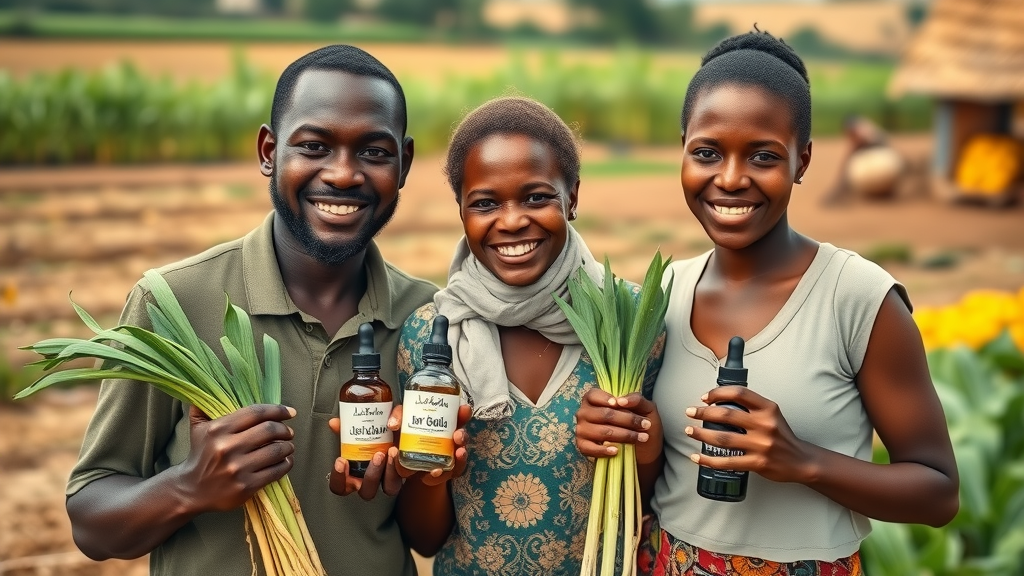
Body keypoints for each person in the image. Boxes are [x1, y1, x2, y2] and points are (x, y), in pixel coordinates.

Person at [65, 44, 467, 576]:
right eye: (314, 146)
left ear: (405, 163)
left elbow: (427, 537)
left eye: (374, 151)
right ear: (268, 152)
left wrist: (425, 475)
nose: (344, 174)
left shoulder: (430, 319)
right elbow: (91, 521)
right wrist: (189, 485)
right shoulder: (174, 304)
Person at [582, 31, 959, 576]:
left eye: (763, 156)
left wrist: (803, 461)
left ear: (802, 161)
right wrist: (626, 435)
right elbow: (657, 481)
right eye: (707, 152)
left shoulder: (856, 298)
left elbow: (938, 493)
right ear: (681, 149)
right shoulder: (662, 298)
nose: (731, 179)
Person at [395, 96, 665, 575]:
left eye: (537, 197)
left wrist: (644, 444)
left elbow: (648, 506)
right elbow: (425, 539)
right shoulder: (429, 338)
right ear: (461, 210)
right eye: (485, 203)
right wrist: (434, 479)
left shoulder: (631, 321)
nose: (513, 219)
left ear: (573, 198)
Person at [822, 114, 905, 205]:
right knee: (847, 168)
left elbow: (882, 144)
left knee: (902, 165)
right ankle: (838, 194)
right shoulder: (863, 131)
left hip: (883, 156)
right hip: (875, 157)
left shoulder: (868, 132)